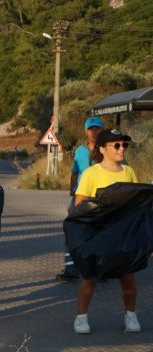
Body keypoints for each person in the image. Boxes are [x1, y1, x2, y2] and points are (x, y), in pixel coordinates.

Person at [72, 128, 142, 334]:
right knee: (90, 277)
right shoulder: (91, 173)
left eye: (124, 145)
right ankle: (81, 318)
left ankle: (131, 316)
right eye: (117, 145)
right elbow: (79, 203)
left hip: (123, 233)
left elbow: (136, 199)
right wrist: (101, 208)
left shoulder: (129, 172)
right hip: (98, 234)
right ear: (103, 149)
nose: (122, 149)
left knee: (128, 277)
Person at [57, 116, 103, 281]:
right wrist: (71, 194)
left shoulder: (106, 150)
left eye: (97, 128)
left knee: (99, 234)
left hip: (100, 198)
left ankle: (99, 269)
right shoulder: (80, 151)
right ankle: (71, 269)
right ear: (86, 131)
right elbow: (74, 173)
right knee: (72, 231)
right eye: (91, 129)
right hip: (80, 197)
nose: (94, 132)